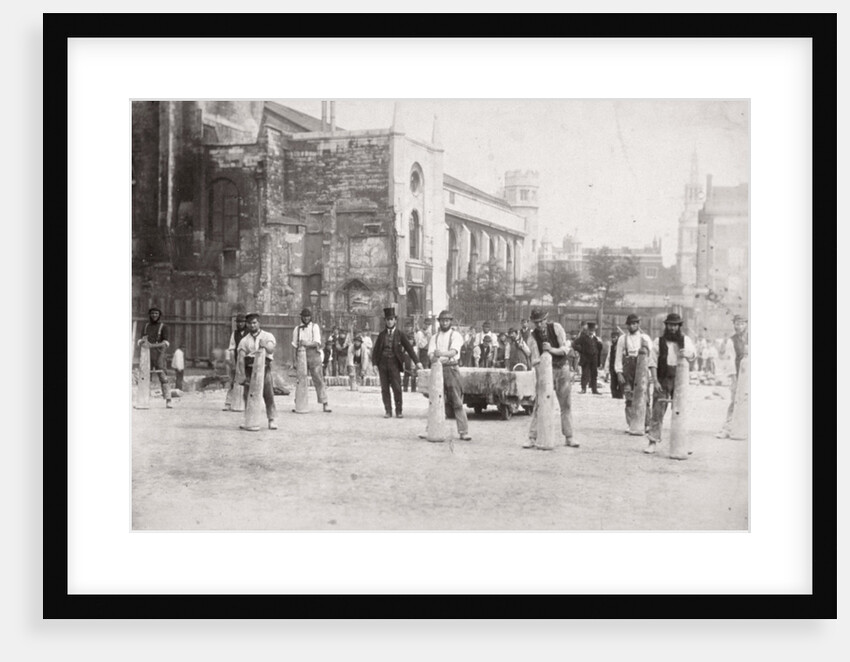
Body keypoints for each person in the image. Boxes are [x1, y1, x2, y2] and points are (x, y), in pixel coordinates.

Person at [523, 307, 578, 449]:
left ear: (546, 320)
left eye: (541, 321)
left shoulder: (556, 328)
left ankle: (569, 436)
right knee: (539, 405)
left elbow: (565, 349)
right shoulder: (532, 337)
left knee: (566, 405)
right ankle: (532, 437)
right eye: (536, 322)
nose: (539, 325)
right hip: (546, 372)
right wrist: (541, 374)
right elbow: (535, 360)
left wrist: (551, 350)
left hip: (562, 369)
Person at [646, 312, 697, 454]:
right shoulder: (658, 341)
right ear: (666, 325)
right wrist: (655, 380)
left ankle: (682, 443)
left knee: (681, 411)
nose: (672, 328)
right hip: (663, 379)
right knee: (657, 411)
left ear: (679, 326)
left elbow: (694, 355)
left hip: (680, 380)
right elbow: (652, 362)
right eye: (670, 325)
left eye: (675, 326)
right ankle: (652, 442)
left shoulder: (685, 340)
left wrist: (689, 353)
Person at [428, 310, 472, 440]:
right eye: (442, 320)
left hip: (451, 369)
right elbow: (430, 355)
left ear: (450, 322)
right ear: (439, 322)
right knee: (435, 401)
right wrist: (436, 357)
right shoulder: (434, 337)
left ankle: (463, 431)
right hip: (438, 370)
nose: (444, 322)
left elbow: (453, 352)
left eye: (447, 320)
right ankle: (430, 429)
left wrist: (439, 354)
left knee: (457, 401)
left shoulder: (456, 335)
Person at [371, 306, 422, 418]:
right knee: (384, 389)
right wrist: (374, 364)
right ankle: (388, 411)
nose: (389, 321)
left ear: (395, 320)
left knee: (397, 388)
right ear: (385, 321)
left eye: (392, 319)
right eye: (388, 319)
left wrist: (417, 362)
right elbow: (375, 351)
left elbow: (409, 348)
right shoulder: (381, 335)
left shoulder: (400, 334)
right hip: (382, 364)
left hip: (394, 364)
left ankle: (398, 411)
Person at [236, 313, 277, 429]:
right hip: (250, 370)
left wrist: (265, 346)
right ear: (247, 324)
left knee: (268, 394)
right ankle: (248, 418)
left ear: (259, 323)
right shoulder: (244, 340)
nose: (252, 325)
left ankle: (271, 419)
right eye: (250, 323)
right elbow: (240, 359)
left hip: (264, 368)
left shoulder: (267, 336)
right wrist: (242, 375)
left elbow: (271, 349)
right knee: (248, 395)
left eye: (254, 323)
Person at [614, 313, 655, 429]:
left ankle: (646, 423)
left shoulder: (645, 338)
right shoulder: (622, 339)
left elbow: (651, 357)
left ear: (638, 324)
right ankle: (631, 423)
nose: (632, 326)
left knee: (644, 396)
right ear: (627, 326)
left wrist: (651, 374)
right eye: (630, 324)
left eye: (634, 324)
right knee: (629, 397)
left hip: (642, 367)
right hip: (628, 369)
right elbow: (618, 357)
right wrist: (619, 372)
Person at [291, 308, 332, 413]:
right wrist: (294, 361)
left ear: (310, 317)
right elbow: (294, 346)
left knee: (318, 379)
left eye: (308, 316)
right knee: (300, 380)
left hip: (314, 355)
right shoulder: (297, 329)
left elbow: (317, 343)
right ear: (301, 317)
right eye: (304, 316)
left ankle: (325, 403)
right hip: (301, 356)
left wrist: (306, 343)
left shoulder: (315, 327)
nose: (306, 318)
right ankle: (299, 403)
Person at [717, 315, 749, 438]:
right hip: (738, 374)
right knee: (735, 400)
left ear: (746, 324)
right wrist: (734, 378)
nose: (739, 326)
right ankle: (728, 427)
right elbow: (730, 361)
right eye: (736, 323)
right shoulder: (732, 341)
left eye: (741, 323)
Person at [137, 306, 173, 408]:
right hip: (146, 355)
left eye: (156, 313)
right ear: (150, 314)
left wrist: (152, 346)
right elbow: (141, 340)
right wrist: (142, 343)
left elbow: (165, 343)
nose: (154, 315)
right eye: (152, 313)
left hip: (159, 354)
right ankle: (143, 401)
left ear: (159, 315)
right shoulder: (145, 326)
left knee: (163, 377)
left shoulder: (163, 327)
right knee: (144, 377)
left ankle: (168, 400)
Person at [223, 314, 249, 411]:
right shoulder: (234, 334)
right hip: (238, 360)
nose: (240, 324)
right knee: (233, 382)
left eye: (242, 322)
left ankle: (246, 404)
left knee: (248, 382)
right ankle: (228, 403)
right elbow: (231, 349)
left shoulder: (250, 333)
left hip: (248, 361)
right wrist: (233, 363)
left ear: (245, 323)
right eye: (238, 322)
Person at [574, 321, 604, 394]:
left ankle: (594, 390)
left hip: (594, 359)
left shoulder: (596, 339)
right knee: (585, 374)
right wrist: (581, 350)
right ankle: (583, 389)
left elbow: (600, 348)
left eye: (593, 330)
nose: (591, 332)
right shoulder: (583, 338)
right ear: (588, 330)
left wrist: (600, 344)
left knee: (594, 374)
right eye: (590, 330)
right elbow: (574, 344)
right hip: (586, 359)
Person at [403, 320, 418, 392]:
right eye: (407, 327)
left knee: (413, 372)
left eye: (409, 327)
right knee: (406, 371)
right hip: (406, 354)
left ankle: (413, 388)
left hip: (412, 354)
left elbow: (414, 345)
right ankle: (405, 387)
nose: (408, 328)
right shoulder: (403, 335)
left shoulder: (413, 335)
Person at [608, 330, 623, 399]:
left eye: (614, 337)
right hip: (612, 366)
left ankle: (620, 395)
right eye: (612, 337)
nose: (613, 339)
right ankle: (614, 395)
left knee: (620, 382)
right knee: (613, 383)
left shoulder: (621, 346)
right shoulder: (611, 346)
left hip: (619, 367)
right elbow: (609, 357)